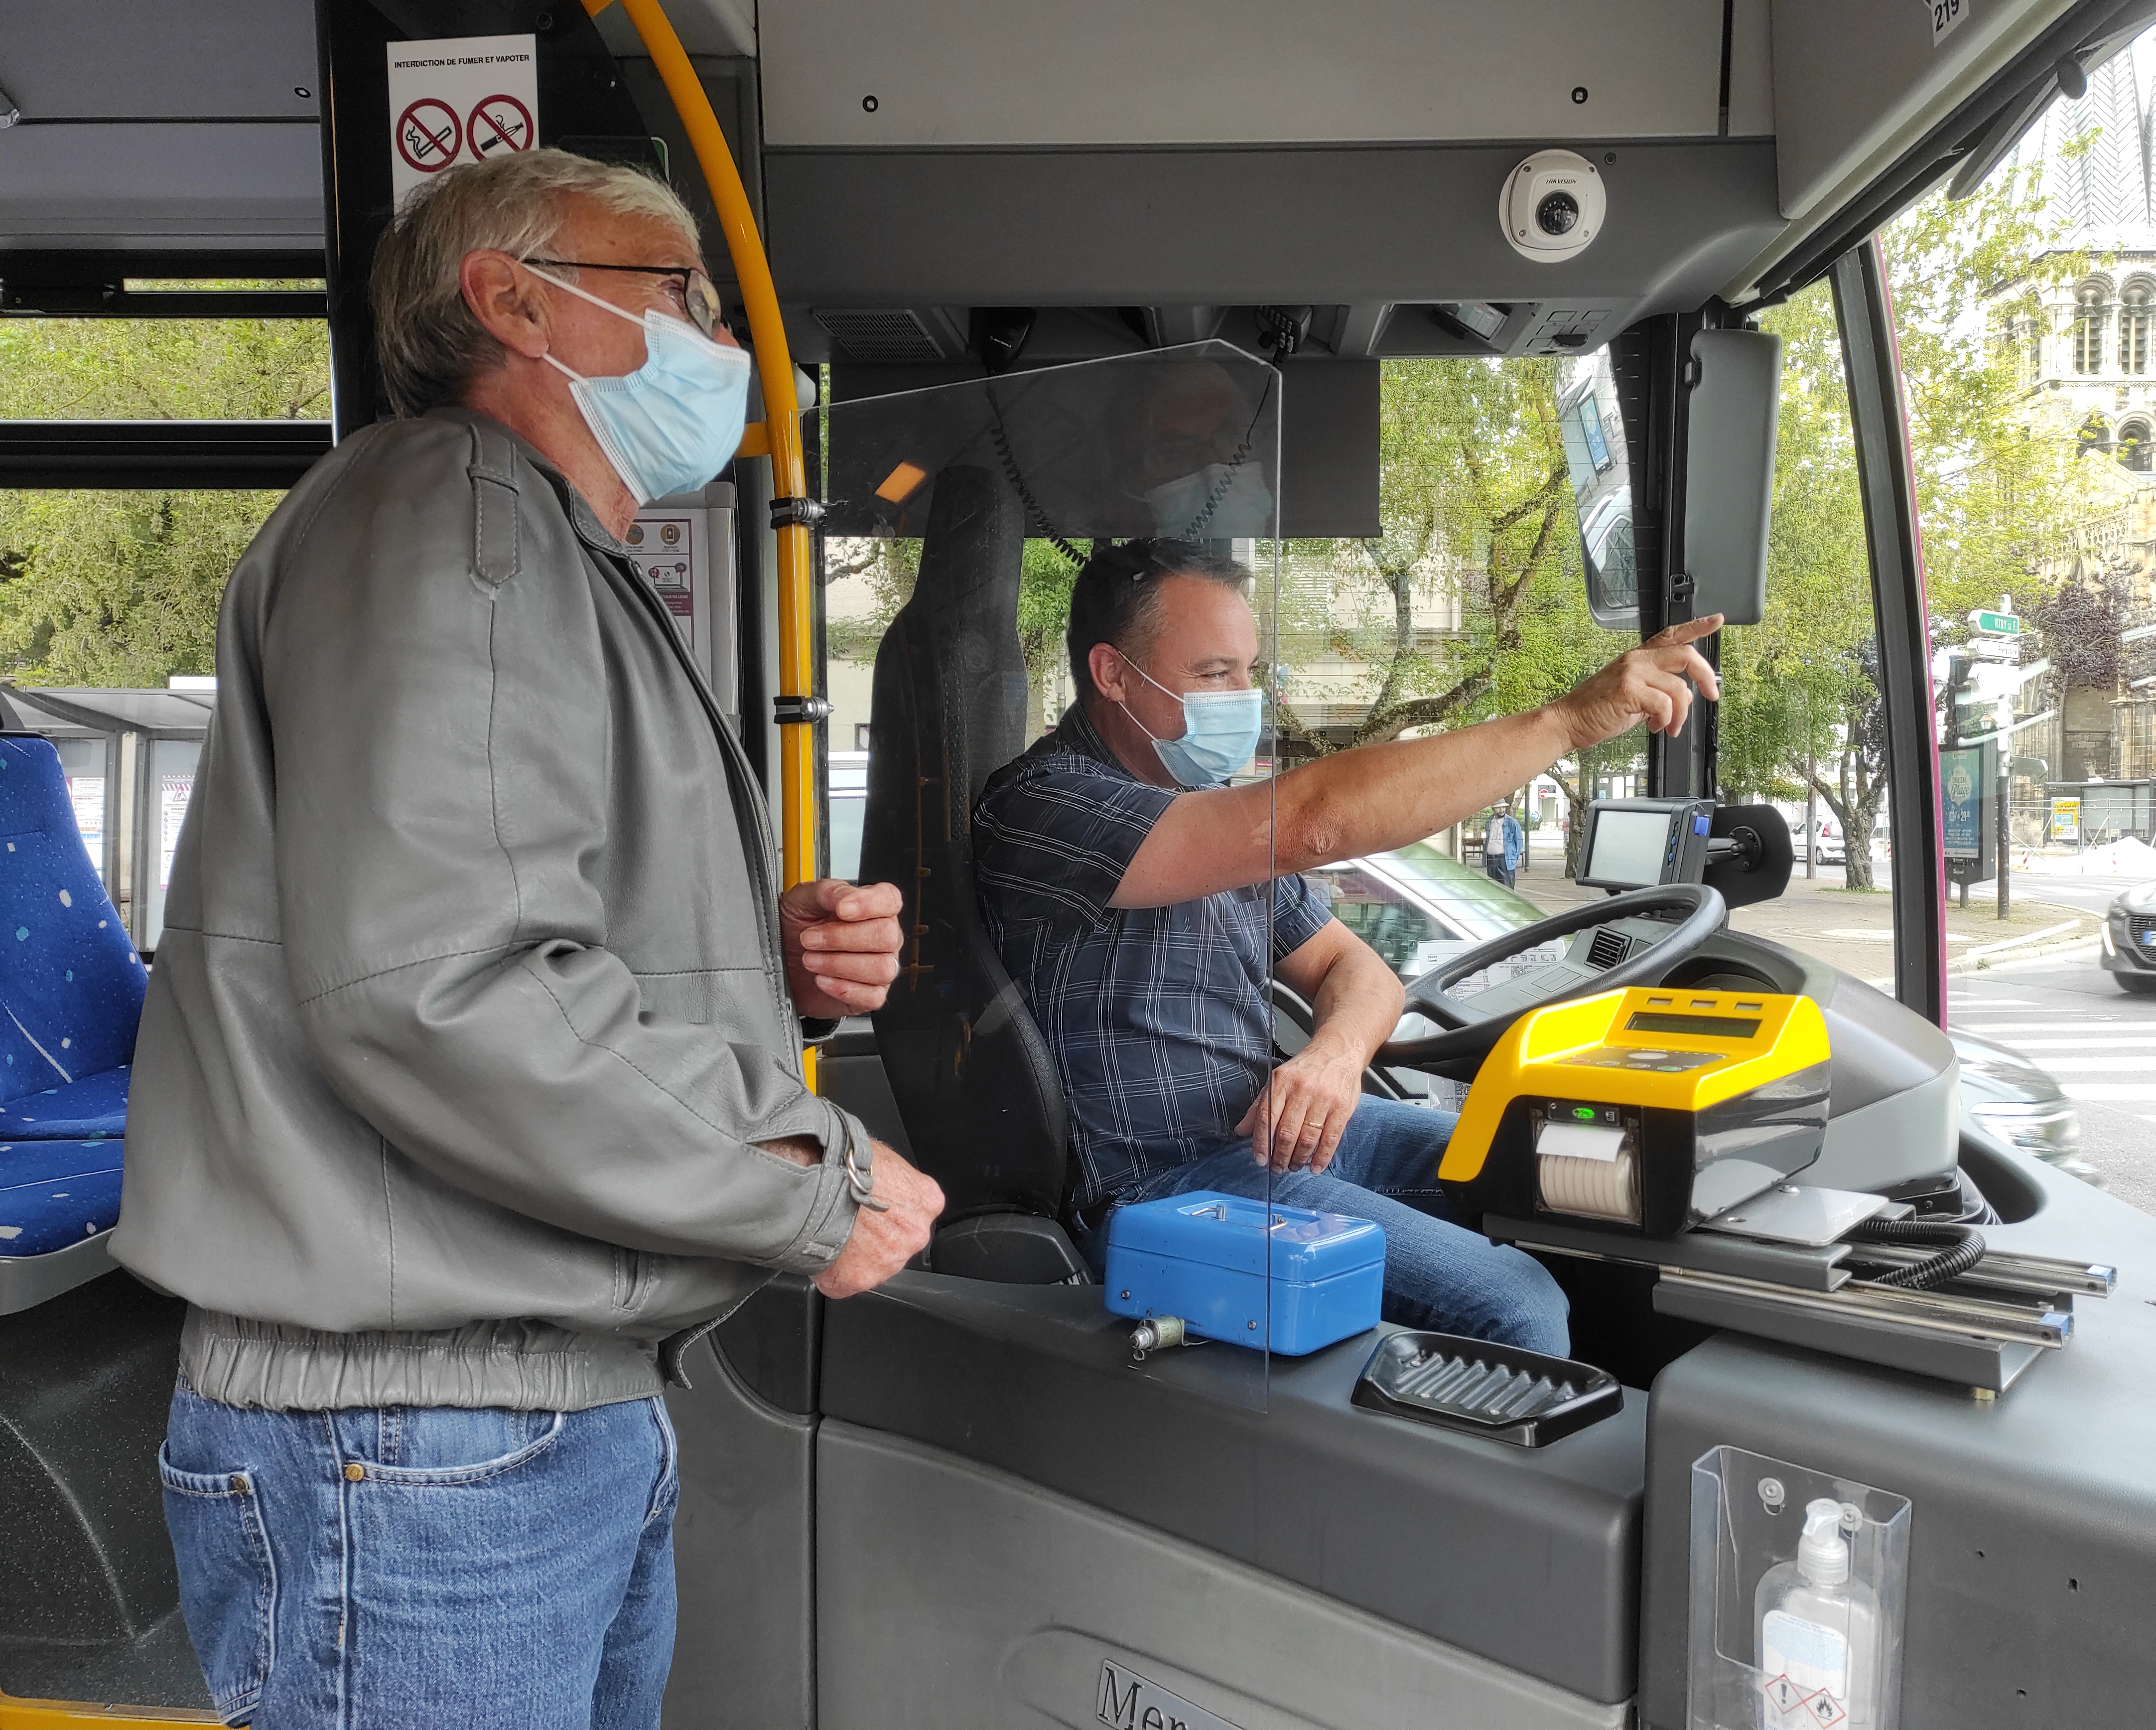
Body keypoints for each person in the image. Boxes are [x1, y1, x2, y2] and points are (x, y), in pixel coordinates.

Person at [112, 149, 943, 1730]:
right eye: (677, 293)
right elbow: (437, 988)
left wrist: (747, 958)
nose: (717, 339)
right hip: (424, 1439)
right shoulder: (457, 509)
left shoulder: (541, 546)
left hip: (508, 1414)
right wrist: (803, 1178)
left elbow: (468, 926)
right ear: (514, 302)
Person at [974, 540, 1720, 1358]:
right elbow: (1313, 820)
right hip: (1159, 1185)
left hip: (1262, 1133)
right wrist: (1564, 724)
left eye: (1249, 671)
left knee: (1556, 1169)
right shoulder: (1046, 807)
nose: (1244, 697)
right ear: (1113, 675)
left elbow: (1351, 967)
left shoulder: (1203, 806)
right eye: (1216, 672)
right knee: (1512, 1301)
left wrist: (1333, 1056)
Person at [1482, 799, 1525, 889]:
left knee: (1506, 887)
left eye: (1504, 807)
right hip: (1491, 859)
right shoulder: (1489, 821)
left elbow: (1519, 843)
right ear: (1493, 808)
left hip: (1504, 859)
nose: (1502, 810)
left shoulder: (1512, 822)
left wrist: (1512, 859)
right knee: (1493, 888)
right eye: (1499, 808)